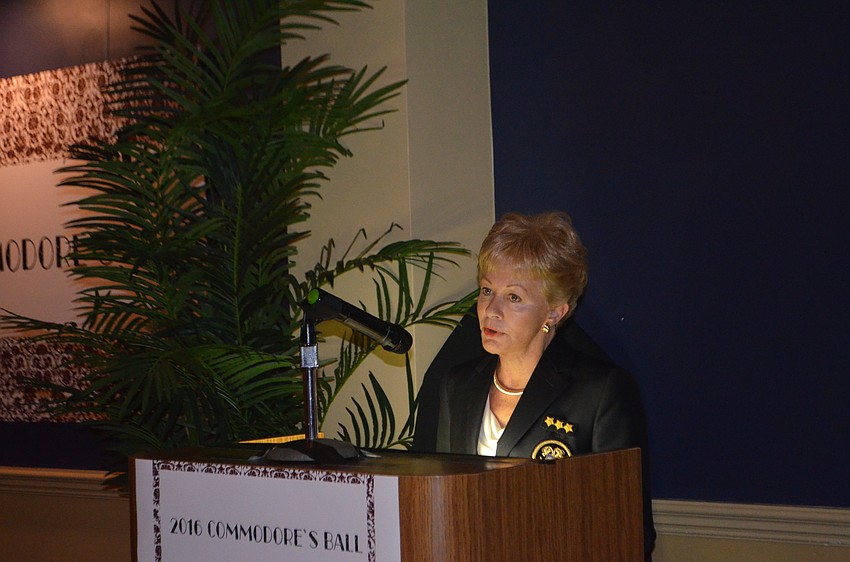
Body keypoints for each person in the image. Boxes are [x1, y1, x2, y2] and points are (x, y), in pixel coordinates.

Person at [431, 211, 656, 559]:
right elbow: (445, 508)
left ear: (554, 311)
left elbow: (629, 531)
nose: (491, 309)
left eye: (514, 297)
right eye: (487, 290)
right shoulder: (458, 386)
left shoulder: (601, 391)